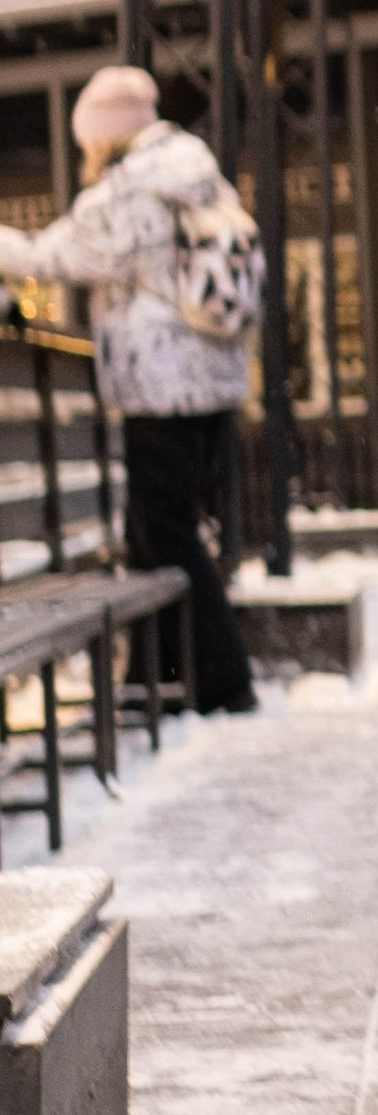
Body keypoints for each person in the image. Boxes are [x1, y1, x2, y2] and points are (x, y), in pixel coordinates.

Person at [0, 62, 258, 716]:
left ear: (105, 136)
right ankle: (157, 678)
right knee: (155, 533)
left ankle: (222, 681)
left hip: (160, 388)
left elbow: (49, 257)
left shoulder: (129, 193)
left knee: (164, 535)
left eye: (87, 140)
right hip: (211, 384)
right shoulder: (192, 173)